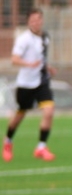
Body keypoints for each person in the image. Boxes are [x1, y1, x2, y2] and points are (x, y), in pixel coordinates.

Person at [6, 9, 55, 162]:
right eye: (33, 20)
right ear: (28, 22)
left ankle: (41, 147)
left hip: (41, 82)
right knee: (19, 116)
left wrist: (47, 68)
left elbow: (41, 58)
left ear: (42, 20)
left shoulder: (45, 37)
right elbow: (14, 59)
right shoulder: (24, 39)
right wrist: (29, 64)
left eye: (38, 19)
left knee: (49, 111)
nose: (36, 22)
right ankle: (8, 142)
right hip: (26, 84)